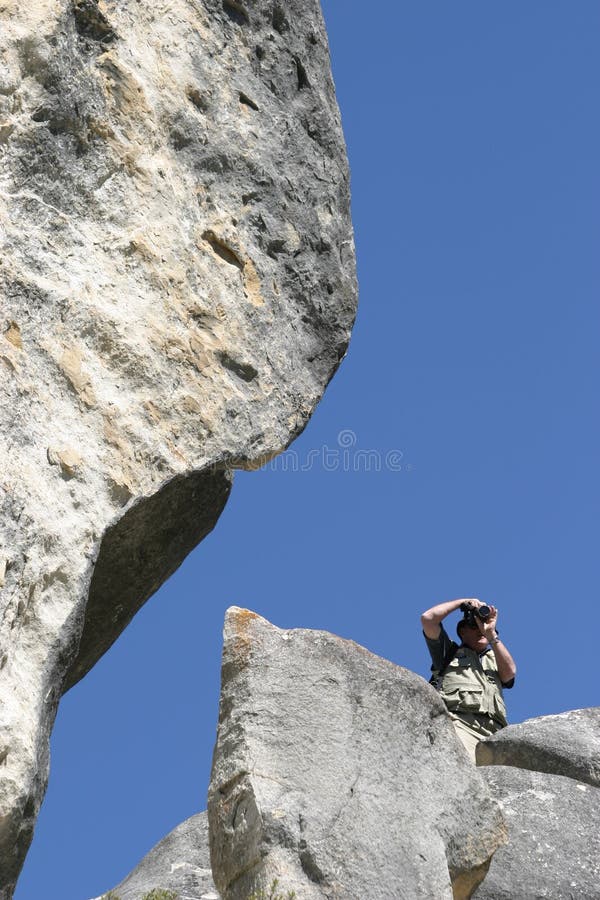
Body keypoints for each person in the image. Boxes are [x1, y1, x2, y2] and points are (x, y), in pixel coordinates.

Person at [421, 598, 517, 762]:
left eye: (481, 626)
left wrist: (491, 633)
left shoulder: (494, 658)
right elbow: (428, 619)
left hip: (496, 733)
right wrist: (463, 602)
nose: (479, 630)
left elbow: (510, 674)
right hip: (461, 724)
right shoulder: (449, 652)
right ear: (462, 632)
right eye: (473, 626)